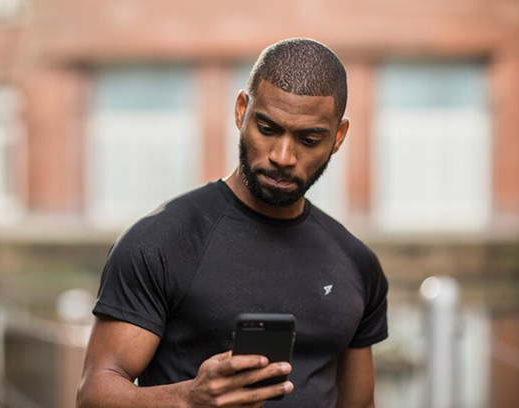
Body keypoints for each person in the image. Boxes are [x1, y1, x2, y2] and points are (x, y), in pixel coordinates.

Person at [77, 38, 389, 408]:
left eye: (308, 139)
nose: (282, 156)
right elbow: (93, 394)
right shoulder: (161, 241)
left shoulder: (356, 262)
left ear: (337, 137)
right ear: (242, 111)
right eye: (268, 128)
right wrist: (189, 398)